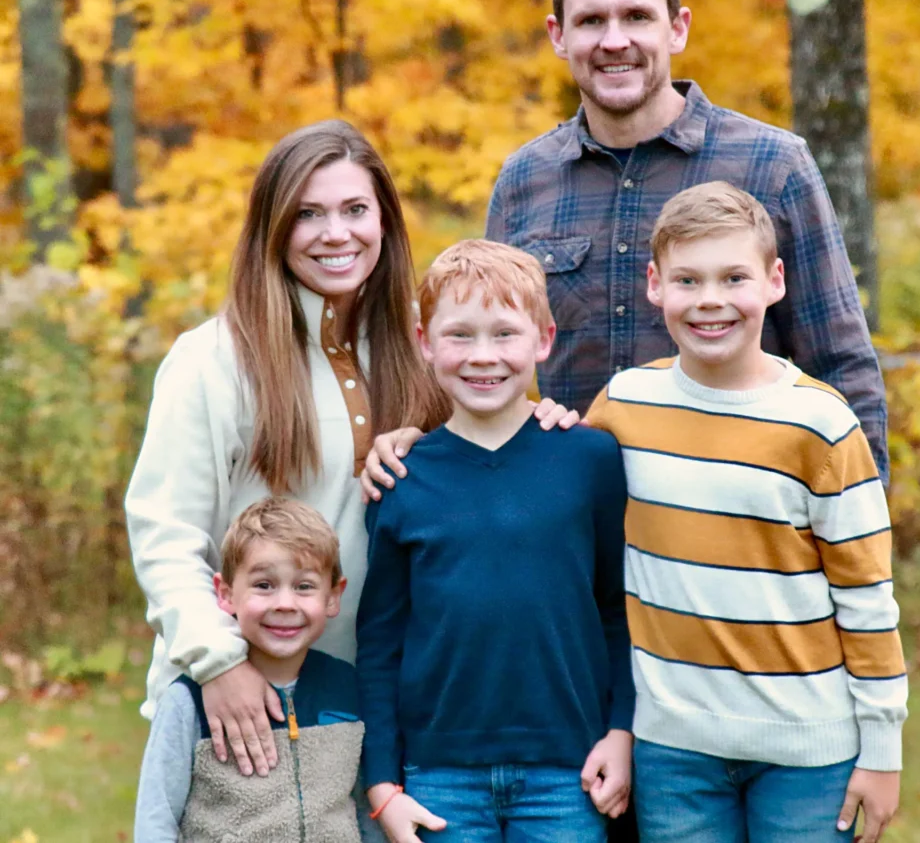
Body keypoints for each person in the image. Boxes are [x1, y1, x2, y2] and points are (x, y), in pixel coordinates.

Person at [125, 120, 573, 786]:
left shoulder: (418, 355)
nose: (336, 233)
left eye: (355, 209)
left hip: (384, 708)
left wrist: (542, 422)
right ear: (272, 229)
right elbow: (165, 534)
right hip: (247, 704)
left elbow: (481, 465)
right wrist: (218, 664)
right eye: (308, 213)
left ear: (385, 222)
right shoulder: (211, 361)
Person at [486, 0, 890, 484]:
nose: (614, 40)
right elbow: (487, 362)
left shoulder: (773, 166)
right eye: (590, 21)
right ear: (558, 36)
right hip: (577, 533)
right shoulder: (523, 181)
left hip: (740, 529)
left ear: (677, 28)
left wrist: (856, 531)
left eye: (637, 16)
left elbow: (842, 365)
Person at [585, 182, 907, 843]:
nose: (710, 299)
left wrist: (882, 749)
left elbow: (868, 596)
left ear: (774, 280)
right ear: (654, 284)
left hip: (808, 751)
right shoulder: (623, 405)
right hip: (674, 746)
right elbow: (553, 490)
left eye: (734, 277)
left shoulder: (821, 424)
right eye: (688, 279)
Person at [356, 239, 635, 843]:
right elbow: (380, 641)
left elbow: (619, 610)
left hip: (568, 770)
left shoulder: (590, 459)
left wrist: (622, 730)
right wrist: (382, 784)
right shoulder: (402, 477)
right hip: (438, 776)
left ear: (543, 339)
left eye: (504, 334)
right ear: (425, 342)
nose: (483, 357)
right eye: (460, 335)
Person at [134, 497, 363, 842]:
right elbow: (156, 821)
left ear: (333, 596)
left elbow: (362, 808)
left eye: (304, 586)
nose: (285, 603)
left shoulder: (349, 687)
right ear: (225, 594)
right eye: (264, 585)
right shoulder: (187, 702)